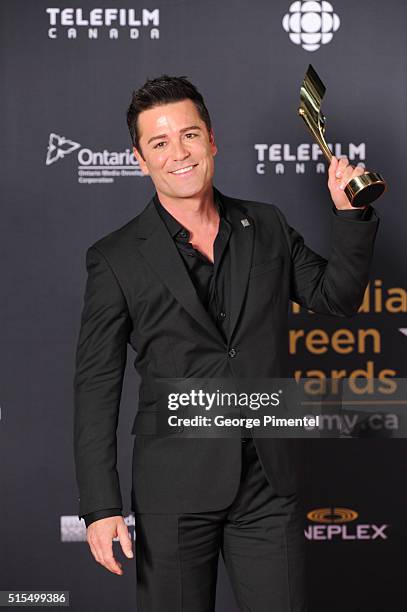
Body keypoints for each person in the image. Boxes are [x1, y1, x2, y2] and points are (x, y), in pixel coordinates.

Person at [73, 75, 379, 611]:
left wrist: (350, 214)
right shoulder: (115, 257)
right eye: (159, 143)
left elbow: (337, 297)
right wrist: (101, 507)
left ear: (211, 140)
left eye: (189, 136)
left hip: (267, 480)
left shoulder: (265, 224)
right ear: (141, 160)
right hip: (173, 490)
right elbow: (97, 386)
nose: (179, 154)